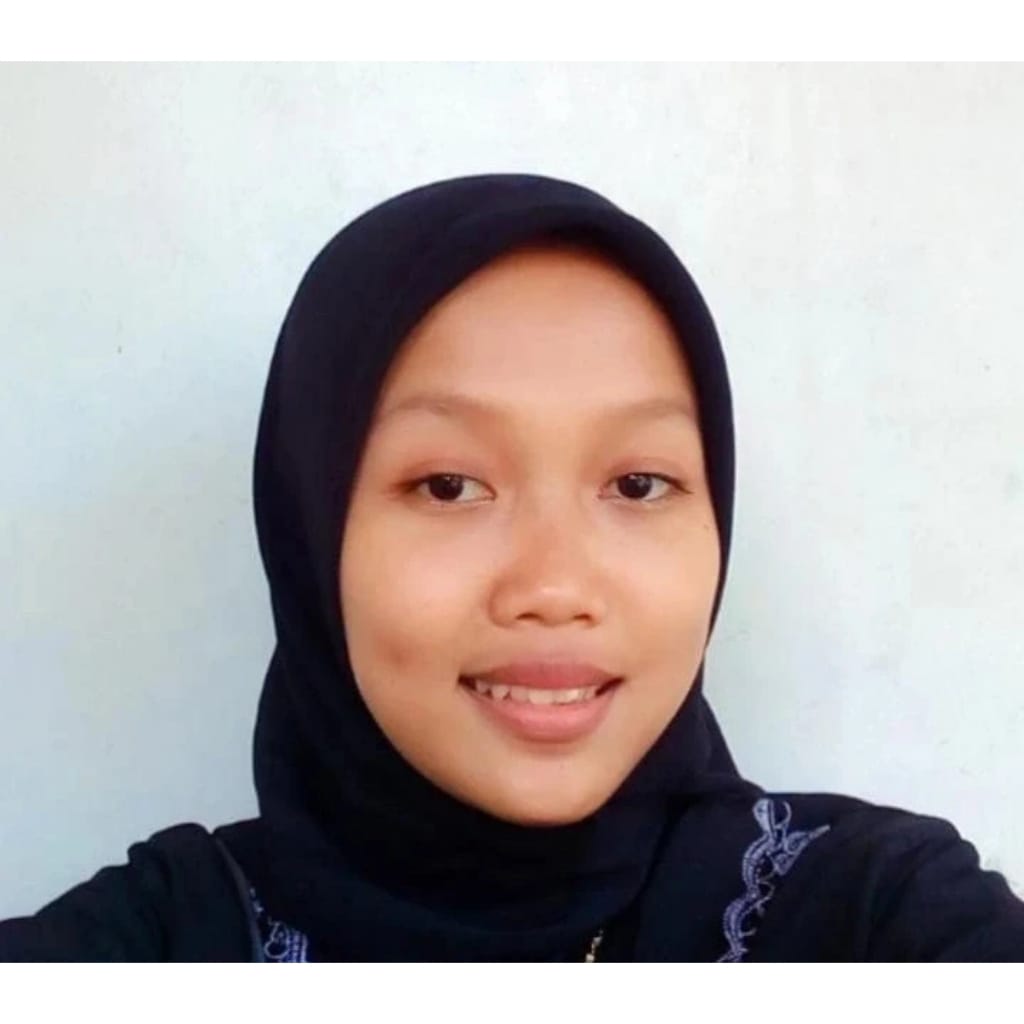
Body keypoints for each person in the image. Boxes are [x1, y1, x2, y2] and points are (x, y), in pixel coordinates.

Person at [1, 173, 1022, 962]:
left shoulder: (871, 916)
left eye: (638, 484)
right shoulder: (162, 943)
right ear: (310, 531)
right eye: (449, 486)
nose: (555, 587)